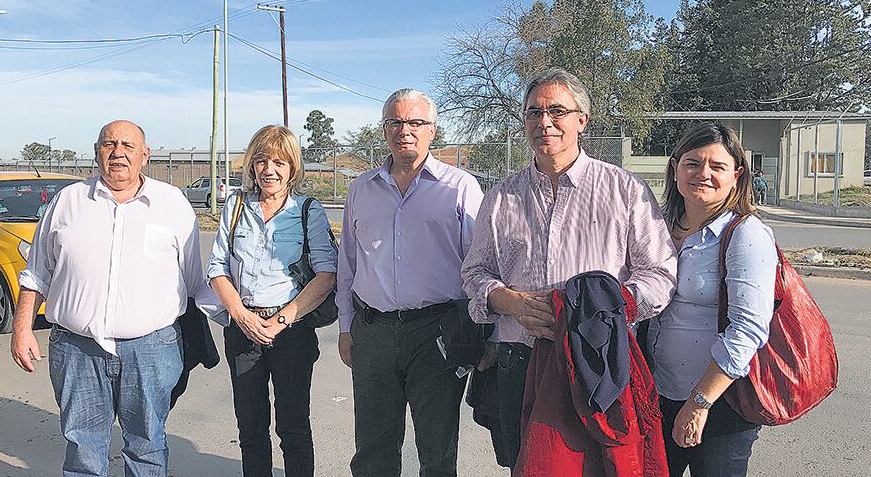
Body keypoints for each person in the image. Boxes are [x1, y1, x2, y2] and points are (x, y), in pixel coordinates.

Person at [461, 67, 677, 470]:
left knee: (599, 467)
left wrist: (607, 310)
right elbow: (474, 272)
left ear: (582, 120)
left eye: (557, 111)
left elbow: (660, 274)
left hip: (596, 361)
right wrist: (506, 299)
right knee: (525, 465)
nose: (544, 122)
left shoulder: (625, 191)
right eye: (533, 112)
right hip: (519, 358)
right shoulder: (501, 197)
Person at [10, 120, 211, 477]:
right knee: (83, 448)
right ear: (97, 152)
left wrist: (244, 315)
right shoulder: (67, 202)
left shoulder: (173, 205)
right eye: (109, 144)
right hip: (76, 349)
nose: (118, 152)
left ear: (145, 155)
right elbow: (37, 272)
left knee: (148, 444)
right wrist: (22, 327)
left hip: (151, 349)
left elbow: (195, 280)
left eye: (128, 146)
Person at [336, 88, 484, 477]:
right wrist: (346, 327)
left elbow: (481, 265)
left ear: (433, 130)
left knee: (437, 450)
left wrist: (483, 336)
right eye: (396, 122)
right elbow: (348, 264)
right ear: (384, 130)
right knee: (373, 448)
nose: (405, 130)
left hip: (436, 333)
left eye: (415, 122)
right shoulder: (361, 189)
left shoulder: (461, 188)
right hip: (373, 333)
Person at [205, 125, 337, 477]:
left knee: (293, 429)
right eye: (261, 160)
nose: (269, 170)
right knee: (250, 430)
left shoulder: (309, 210)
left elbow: (326, 275)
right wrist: (240, 315)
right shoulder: (235, 207)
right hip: (243, 329)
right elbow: (217, 267)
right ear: (251, 165)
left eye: (279, 161)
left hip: (291, 332)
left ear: (292, 167)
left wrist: (282, 320)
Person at [650, 122, 777, 477]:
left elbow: (748, 329)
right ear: (675, 168)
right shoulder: (655, 227)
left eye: (717, 166)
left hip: (720, 403)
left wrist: (699, 402)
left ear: (736, 175)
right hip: (656, 393)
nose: (703, 173)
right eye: (692, 163)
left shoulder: (746, 234)